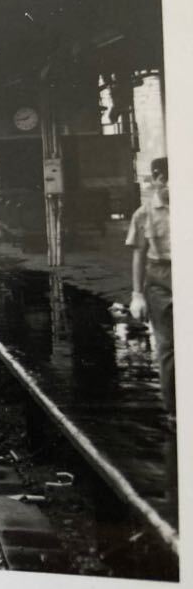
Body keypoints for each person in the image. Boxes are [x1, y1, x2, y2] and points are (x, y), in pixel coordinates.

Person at [126, 156, 174, 416]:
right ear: (157, 179)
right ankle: (174, 412)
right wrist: (137, 295)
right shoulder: (143, 214)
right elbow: (139, 255)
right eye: (162, 179)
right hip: (159, 280)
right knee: (168, 347)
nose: (165, 185)